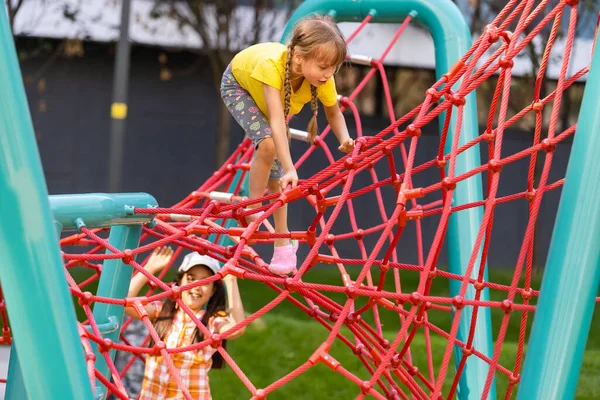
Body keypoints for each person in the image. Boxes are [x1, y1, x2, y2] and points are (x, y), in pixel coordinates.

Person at [221, 15, 355, 276]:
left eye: (334, 68)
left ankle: (283, 242)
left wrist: (344, 139)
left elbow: (334, 113)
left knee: (280, 179)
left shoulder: (323, 79)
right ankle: (252, 206)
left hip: (266, 102)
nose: (329, 74)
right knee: (271, 147)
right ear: (298, 59)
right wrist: (291, 167)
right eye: (324, 66)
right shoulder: (273, 66)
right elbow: (275, 121)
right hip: (238, 86)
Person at [124, 246, 245, 400]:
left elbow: (236, 329)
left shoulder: (211, 322)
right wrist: (149, 268)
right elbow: (126, 303)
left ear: (213, 290)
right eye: (191, 278)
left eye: (205, 282)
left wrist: (231, 281)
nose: (196, 286)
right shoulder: (163, 312)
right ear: (179, 282)